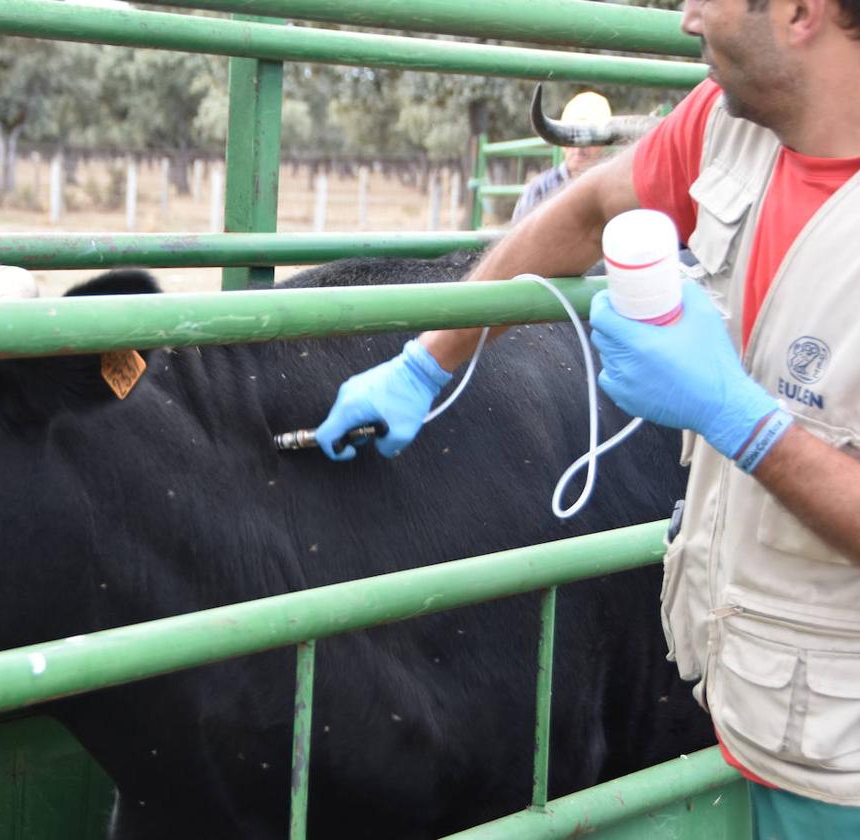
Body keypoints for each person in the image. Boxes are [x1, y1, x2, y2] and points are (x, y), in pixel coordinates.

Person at [315, 1, 860, 836]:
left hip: (842, 759)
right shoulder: (728, 126)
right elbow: (589, 209)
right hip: (747, 701)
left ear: (798, 12)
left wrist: (740, 420)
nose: (685, 19)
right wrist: (429, 361)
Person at [510, 91, 611, 223]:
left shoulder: (610, 189)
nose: (579, 147)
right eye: (570, 137)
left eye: (590, 139)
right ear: (561, 143)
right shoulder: (540, 189)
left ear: (603, 144)